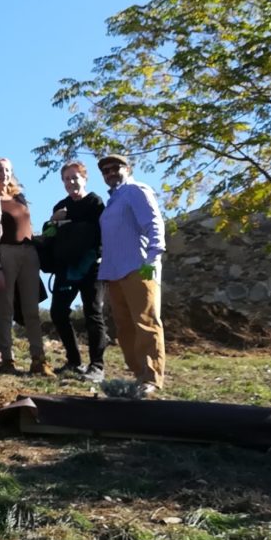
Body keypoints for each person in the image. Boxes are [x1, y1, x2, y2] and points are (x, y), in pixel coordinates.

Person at [97, 153, 166, 396]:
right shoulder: (113, 201)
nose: (110, 172)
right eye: (105, 170)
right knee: (125, 328)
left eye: (115, 167)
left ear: (128, 168)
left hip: (139, 267)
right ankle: (139, 376)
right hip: (114, 273)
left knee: (146, 322)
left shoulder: (137, 190)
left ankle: (152, 377)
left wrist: (152, 260)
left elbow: (154, 223)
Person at [0, 158, 51, 375]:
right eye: (0, 170)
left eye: (8, 170)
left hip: (29, 254)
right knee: (5, 309)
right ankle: (7, 359)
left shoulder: (19, 198)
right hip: (5, 254)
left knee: (31, 309)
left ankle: (39, 360)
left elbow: (28, 226)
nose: (4, 174)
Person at [47, 161, 108, 381]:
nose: (71, 182)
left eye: (75, 177)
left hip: (92, 266)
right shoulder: (60, 206)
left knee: (93, 313)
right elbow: (51, 234)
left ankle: (97, 366)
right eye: (66, 179)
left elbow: (102, 231)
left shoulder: (94, 202)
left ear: (84, 179)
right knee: (58, 312)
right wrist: (54, 220)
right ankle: (74, 361)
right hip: (67, 268)